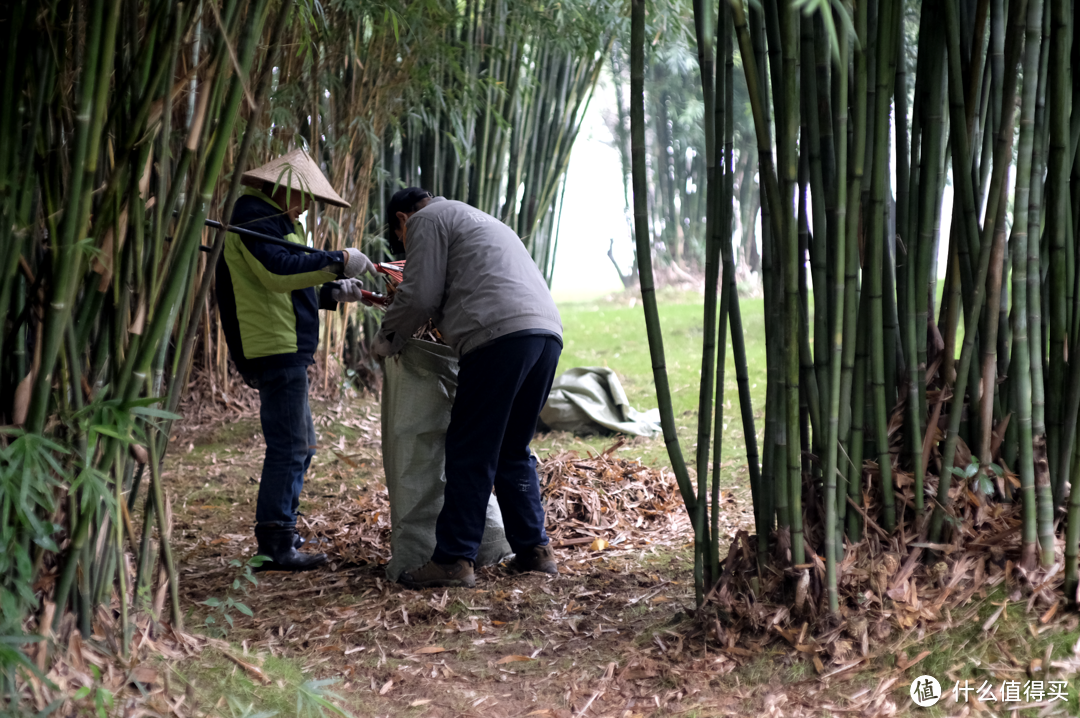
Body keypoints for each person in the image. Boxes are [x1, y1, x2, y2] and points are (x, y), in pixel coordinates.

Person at [373, 187, 563, 589]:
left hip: (498, 338)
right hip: (545, 334)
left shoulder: (425, 220)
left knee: (470, 448)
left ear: (401, 221)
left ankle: (453, 560)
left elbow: (421, 295)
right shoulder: (480, 218)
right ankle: (534, 549)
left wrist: (389, 337)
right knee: (512, 447)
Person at [216, 148, 375, 571]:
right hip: (273, 345)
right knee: (290, 446)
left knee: (301, 445)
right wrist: (335, 261)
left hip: (283, 343)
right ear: (283, 189)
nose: (306, 208)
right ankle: (274, 543)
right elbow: (276, 274)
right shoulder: (252, 215)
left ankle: (282, 529)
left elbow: (287, 280)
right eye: (304, 197)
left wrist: (329, 292)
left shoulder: (271, 220)